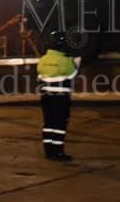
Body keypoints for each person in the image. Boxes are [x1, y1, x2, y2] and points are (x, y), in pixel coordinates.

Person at [36, 30, 81, 161]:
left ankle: (48, 151)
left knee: (48, 123)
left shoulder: (42, 60)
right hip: (61, 98)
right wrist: (77, 63)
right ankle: (58, 152)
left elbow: (39, 77)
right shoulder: (65, 61)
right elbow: (72, 75)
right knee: (59, 125)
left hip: (46, 97)